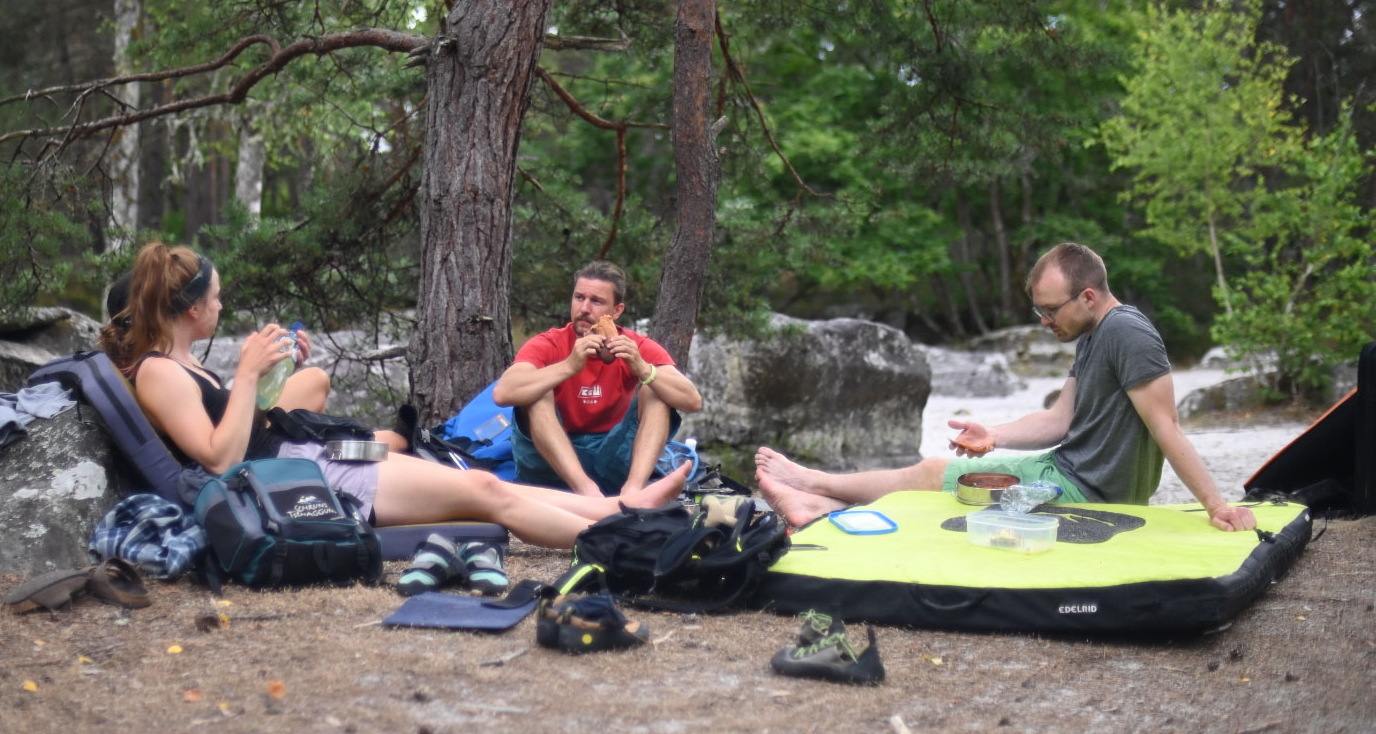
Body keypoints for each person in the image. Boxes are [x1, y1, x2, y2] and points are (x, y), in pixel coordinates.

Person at [99, 242, 690, 550]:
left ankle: (622, 510)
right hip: (296, 475)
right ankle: (622, 528)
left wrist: (271, 374)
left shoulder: (178, 366)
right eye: (217, 298)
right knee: (483, 491)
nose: (222, 306)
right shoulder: (157, 372)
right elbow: (222, 460)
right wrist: (248, 375)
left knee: (473, 483)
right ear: (191, 308)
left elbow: (250, 421)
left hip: (310, 453)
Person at [754, 243, 1258, 533]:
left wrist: (1216, 505)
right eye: (1038, 311)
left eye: (1051, 310)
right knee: (939, 476)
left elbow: (1166, 425)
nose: (1043, 321)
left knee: (934, 476)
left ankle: (815, 485)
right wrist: (993, 434)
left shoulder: (1127, 332)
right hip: (1065, 474)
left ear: (1087, 296)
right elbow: (1060, 420)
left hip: (1078, 492)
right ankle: (822, 503)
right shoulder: (1094, 334)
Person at [493, 261, 703, 499]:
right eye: (579, 297)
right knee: (536, 390)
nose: (584, 308)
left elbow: (692, 401)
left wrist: (644, 369)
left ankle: (632, 493)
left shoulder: (633, 345)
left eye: (597, 301)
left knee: (656, 390)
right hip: (551, 465)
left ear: (616, 311)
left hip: (611, 460)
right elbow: (503, 393)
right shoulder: (550, 342)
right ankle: (586, 490)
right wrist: (569, 366)